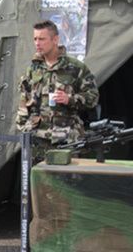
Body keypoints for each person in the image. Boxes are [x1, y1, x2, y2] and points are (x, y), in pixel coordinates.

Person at [16, 20, 99, 164]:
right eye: (35, 39)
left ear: (55, 40)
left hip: (67, 140)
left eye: (42, 39)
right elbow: (24, 101)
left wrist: (70, 99)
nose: (37, 43)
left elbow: (93, 97)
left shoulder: (75, 68)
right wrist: (24, 128)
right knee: (38, 178)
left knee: (66, 177)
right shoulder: (33, 70)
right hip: (38, 141)